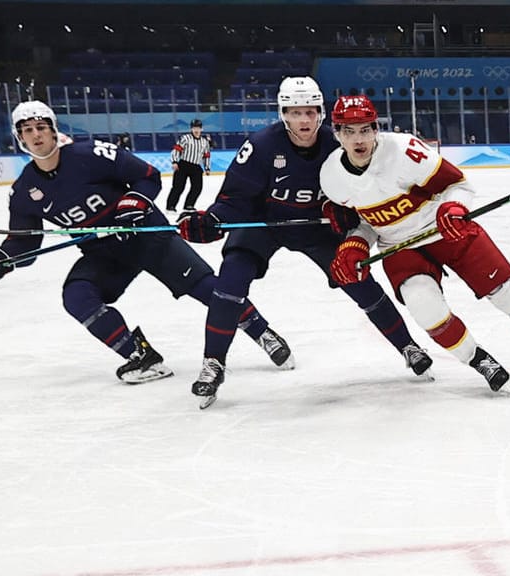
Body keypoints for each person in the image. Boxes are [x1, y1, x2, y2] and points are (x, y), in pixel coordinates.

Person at [0, 100, 289, 384]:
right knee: (76, 296)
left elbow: (147, 175)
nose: (36, 134)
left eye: (41, 127)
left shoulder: (91, 154)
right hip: (104, 252)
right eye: (28, 129)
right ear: (19, 137)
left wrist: (134, 202)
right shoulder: (23, 191)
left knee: (207, 289)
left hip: (147, 235)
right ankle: (141, 356)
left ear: (53, 130)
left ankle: (262, 332)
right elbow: (25, 244)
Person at [173, 77, 429, 407]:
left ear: (321, 113)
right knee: (230, 282)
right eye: (296, 113)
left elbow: (362, 188)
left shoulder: (337, 143)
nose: (304, 121)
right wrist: (211, 221)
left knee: (359, 279)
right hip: (263, 224)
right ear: (284, 114)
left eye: (310, 112)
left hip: (317, 228)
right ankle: (213, 364)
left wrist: (344, 212)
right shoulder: (261, 145)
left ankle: (408, 346)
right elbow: (235, 197)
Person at [319, 94, 510, 393]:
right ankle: (479, 360)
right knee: (424, 307)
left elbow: (458, 185)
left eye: (365, 129)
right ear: (336, 133)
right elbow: (365, 223)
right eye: (349, 131)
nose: (358, 139)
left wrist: (454, 209)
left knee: (508, 294)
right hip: (399, 246)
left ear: (376, 129)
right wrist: (355, 244)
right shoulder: (331, 177)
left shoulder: (403, 150)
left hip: (445, 229)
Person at [165, 118, 212, 212]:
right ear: (191, 129)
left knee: (197, 187)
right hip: (183, 165)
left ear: (201, 129)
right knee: (178, 187)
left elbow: (206, 155)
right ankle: (170, 206)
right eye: (194, 128)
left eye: (198, 128)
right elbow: (176, 150)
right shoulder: (185, 138)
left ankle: (189, 205)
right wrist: (174, 162)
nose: (196, 130)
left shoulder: (204, 142)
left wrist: (207, 168)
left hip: (196, 166)